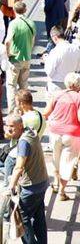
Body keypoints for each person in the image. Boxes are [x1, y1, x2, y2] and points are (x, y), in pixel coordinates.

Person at [5, 114, 50, 244]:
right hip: (42, 182)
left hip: (31, 186)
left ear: (20, 126)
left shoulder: (24, 142)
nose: (8, 129)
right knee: (39, 216)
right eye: (7, 125)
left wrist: (11, 186)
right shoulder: (31, 132)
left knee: (22, 218)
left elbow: (19, 167)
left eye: (12, 126)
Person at [41, 72, 80, 201]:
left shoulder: (57, 94)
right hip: (72, 134)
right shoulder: (78, 97)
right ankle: (61, 193)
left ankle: (56, 184)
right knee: (67, 163)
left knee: (56, 160)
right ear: (76, 84)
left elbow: (46, 113)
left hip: (54, 132)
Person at [5, 1, 35, 115]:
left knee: (11, 86)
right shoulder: (31, 23)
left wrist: (8, 53)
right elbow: (32, 40)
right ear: (25, 10)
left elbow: (8, 41)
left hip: (15, 58)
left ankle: (13, 112)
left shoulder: (14, 23)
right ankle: (25, 110)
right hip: (26, 57)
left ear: (14, 10)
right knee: (24, 85)